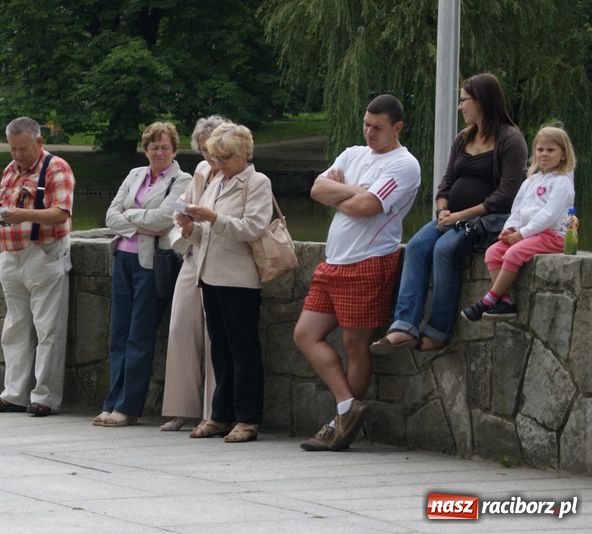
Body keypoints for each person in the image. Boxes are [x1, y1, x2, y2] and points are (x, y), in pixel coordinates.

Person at [294, 95, 421, 452]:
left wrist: (345, 193)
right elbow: (317, 188)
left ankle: (341, 425)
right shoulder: (352, 154)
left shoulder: (404, 165)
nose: (369, 132)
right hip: (333, 261)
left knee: (355, 345)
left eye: (377, 128)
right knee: (305, 334)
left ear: (397, 127)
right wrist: (354, 191)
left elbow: (367, 207)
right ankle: (348, 406)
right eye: (366, 124)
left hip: (369, 261)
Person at [371, 73, 527, 354]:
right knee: (418, 246)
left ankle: (438, 330)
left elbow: (505, 195)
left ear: (481, 101)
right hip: (452, 217)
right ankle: (403, 326)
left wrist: (459, 216)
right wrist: (443, 208)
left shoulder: (510, 139)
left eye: (464, 100)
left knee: (444, 249)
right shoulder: (463, 138)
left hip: (487, 221)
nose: (460, 106)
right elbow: (446, 183)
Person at [178, 123, 272, 443]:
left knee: (243, 349)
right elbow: (207, 232)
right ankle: (221, 414)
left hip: (239, 277)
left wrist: (212, 218)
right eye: (215, 157)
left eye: (225, 157)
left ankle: (247, 418)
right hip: (210, 273)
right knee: (219, 349)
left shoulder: (257, 182)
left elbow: (253, 228)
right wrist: (190, 227)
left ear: (244, 153)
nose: (218, 163)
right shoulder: (215, 180)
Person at [95, 122, 191, 427]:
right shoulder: (135, 175)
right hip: (123, 258)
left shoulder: (182, 179)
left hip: (152, 263)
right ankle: (111, 401)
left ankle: (128, 406)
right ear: (145, 148)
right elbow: (110, 216)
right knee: (118, 334)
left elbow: (164, 219)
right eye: (153, 146)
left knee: (139, 334)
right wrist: (139, 224)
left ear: (174, 149)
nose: (158, 152)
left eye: (164, 147)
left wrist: (128, 218)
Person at [0, 116, 75, 417]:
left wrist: (22, 214)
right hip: (11, 256)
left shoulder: (56, 167)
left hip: (44, 254)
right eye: (13, 149)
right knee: (15, 327)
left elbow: (61, 213)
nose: (18, 155)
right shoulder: (10, 170)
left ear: (39, 142)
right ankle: (14, 394)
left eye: (23, 148)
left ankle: (45, 397)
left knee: (48, 328)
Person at [462, 126, 576, 321]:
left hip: (552, 236)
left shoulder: (562, 182)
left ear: (563, 154)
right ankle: (505, 301)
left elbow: (548, 215)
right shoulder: (530, 181)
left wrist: (522, 234)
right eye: (540, 150)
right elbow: (517, 209)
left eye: (551, 150)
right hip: (527, 234)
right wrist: (510, 228)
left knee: (513, 253)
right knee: (493, 252)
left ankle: (489, 300)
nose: (544, 154)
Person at [159, 115, 228, 432]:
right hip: (192, 253)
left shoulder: (234, 172)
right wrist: (183, 227)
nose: (207, 157)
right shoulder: (201, 171)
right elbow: (181, 208)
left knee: (216, 336)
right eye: (202, 150)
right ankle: (180, 408)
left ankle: (215, 411)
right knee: (180, 327)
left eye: (211, 149)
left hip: (220, 258)